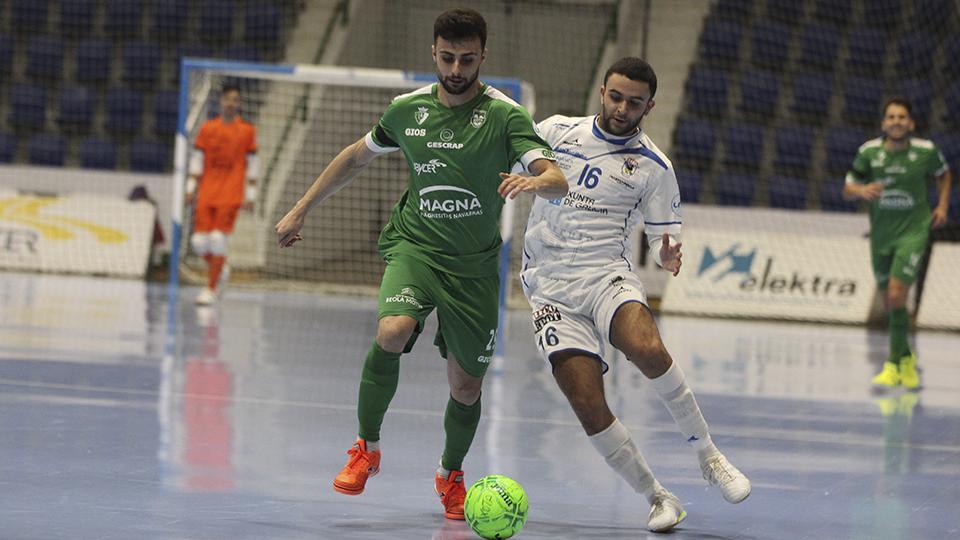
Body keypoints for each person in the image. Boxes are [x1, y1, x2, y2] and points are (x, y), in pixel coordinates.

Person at [274, 8, 566, 520]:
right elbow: (355, 156)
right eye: (448, 57)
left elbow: (554, 176)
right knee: (392, 330)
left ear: (483, 56)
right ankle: (366, 448)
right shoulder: (407, 111)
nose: (456, 69)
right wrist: (301, 208)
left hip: (473, 267)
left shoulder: (505, 115)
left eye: (467, 59)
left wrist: (537, 181)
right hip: (415, 246)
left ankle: (451, 474)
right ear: (433, 51)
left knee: (466, 386)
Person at [520, 57, 751, 532]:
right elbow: (509, 154)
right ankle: (657, 496)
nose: (623, 108)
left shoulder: (654, 166)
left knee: (648, 349)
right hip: (548, 289)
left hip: (606, 275)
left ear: (650, 106)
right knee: (586, 402)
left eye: (635, 102)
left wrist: (666, 257)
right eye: (616, 96)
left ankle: (708, 454)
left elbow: (662, 239)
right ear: (602, 91)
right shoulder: (556, 130)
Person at [844, 97, 951, 390]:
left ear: (911, 123)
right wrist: (862, 189)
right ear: (883, 123)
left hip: (914, 232)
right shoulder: (869, 153)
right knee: (892, 303)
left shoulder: (926, 152)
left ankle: (892, 364)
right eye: (891, 117)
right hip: (881, 235)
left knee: (896, 292)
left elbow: (944, 174)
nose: (896, 122)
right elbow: (848, 186)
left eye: (901, 117)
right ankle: (907, 358)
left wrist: (941, 206)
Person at [187, 83, 259, 305]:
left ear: (239, 104)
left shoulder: (247, 131)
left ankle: (211, 289)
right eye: (228, 99)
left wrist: (251, 195)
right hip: (208, 190)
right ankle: (221, 268)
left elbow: (253, 162)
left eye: (235, 100)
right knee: (199, 243)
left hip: (231, 192)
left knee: (218, 239)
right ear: (221, 101)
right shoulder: (208, 129)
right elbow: (198, 159)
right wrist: (190, 188)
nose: (231, 103)